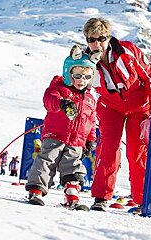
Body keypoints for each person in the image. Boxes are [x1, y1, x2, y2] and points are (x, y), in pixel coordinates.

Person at [81, 17, 151, 211]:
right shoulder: (85, 61)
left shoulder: (127, 51)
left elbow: (150, 79)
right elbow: (80, 86)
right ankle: (101, 197)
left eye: (101, 39)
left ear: (109, 37)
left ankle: (141, 200)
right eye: (91, 40)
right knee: (108, 147)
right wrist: (90, 66)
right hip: (110, 107)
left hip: (139, 107)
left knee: (136, 152)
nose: (97, 44)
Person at [25, 53, 97, 209]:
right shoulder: (58, 88)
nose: (82, 80)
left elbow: (91, 121)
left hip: (77, 141)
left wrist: (90, 140)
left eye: (86, 77)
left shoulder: (90, 99)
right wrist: (61, 103)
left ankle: (72, 194)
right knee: (47, 160)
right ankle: (36, 190)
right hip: (55, 135)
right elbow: (48, 101)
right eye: (78, 75)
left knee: (73, 165)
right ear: (68, 74)